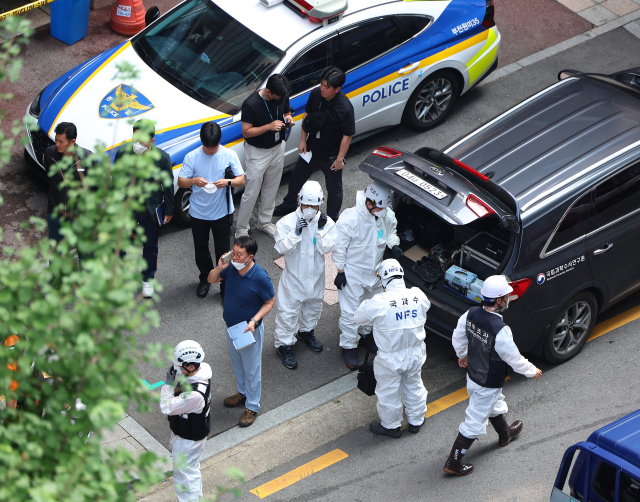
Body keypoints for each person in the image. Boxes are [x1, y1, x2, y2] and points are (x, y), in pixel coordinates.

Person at [444, 275, 543, 476]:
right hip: (488, 381)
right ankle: (453, 462)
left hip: (473, 376)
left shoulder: (470, 314)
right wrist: (532, 370)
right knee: (475, 420)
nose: (509, 298)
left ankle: (505, 434)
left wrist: (462, 355)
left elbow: (458, 336)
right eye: (507, 295)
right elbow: (513, 358)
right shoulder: (500, 329)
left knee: (495, 403)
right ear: (498, 301)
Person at [354, 259, 431, 438]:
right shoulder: (418, 295)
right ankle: (416, 421)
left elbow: (359, 317)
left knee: (388, 391)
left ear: (383, 278)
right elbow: (425, 308)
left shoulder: (379, 301)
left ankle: (391, 426)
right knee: (414, 385)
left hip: (390, 357)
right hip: (416, 352)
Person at [332, 182, 404, 369]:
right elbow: (339, 247)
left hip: (375, 272)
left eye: (385, 207)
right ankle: (348, 345)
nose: (384, 211)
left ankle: (365, 335)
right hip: (353, 273)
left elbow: (390, 232)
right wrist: (340, 271)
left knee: (372, 308)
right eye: (381, 207)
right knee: (351, 312)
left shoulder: (386, 214)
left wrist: (393, 245)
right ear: (369, 203)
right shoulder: (351, 218)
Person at [207, 235, 275, 427]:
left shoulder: (260, 276)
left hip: (248, 330)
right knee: (237, 364)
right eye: (233, 253)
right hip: (232, 327)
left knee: (252, 369)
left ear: (250, 257)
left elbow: (270, 302)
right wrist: (220, 267)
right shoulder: (230, 268)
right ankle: (243, 393)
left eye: (239, 255)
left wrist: (254, 320)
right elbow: (211, 279)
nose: (234, 257)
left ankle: (252, 406)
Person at [273, 67, 355, 222]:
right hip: (311, 149)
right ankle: (289, 205)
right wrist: (303, 139)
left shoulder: (344, 107)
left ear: (337, 89)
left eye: (327, 87)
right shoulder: (316, 94)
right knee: (296, 177)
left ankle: (331, 219)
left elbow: (347, 135)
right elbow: (307, 115)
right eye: (322, 84)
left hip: (331, 155)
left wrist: (339, 159)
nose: (322, 89)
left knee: (334, 190)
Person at [273, 181, 337, 369]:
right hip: (294, 279)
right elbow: (281, 247)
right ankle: (284, 344)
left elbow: (329, 248)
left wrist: (321, 230)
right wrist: (295, 233)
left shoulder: (327, 223)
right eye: (307, 205)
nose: (310, 209)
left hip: (316, 277)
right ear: (300, 202)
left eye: (314, 205)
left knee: (313, 307)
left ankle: (306, 332)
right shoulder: (286, 223)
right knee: (287, 314)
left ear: (320, 204)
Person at [178, 122, 245, 299]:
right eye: (207, 147)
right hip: (198, 213)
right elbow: (181, 182)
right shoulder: (192, 156)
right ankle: (205, 278)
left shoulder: (229, 154)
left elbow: (241, 180)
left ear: (219, 141)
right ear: (202, 142)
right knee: (201, 248)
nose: (210, 150)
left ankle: (225, 284)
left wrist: (227, 182)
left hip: (222, 212)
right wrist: (193, 181)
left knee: (223, 251)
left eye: (213, 146)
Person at [115, 119, 175, 298]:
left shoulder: (162, 158)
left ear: (152, 141)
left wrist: (169, 210)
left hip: (148, 209)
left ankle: (147, 278)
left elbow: (168, 185)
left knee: (150, 245)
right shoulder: (122, 153)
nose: (137, 144)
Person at [236, 74, 293, 238]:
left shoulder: (281, 95)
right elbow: (246, 131)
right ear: (268, 91)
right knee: (251, 191)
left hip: (278, 146)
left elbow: (287, 110)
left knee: (272, 186)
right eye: (278, 97)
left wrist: (288, 118)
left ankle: (264, 222)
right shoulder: (251, 104)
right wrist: (268, 126)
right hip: (257, 152)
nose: (281, 99)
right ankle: (241, 229)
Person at [160, 340, 212, 502]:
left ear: (191, 366)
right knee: (191, 472)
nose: (177, 369)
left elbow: (167, 407)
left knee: (184, 478)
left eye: (180, 366)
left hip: (188, 439)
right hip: (193, 433)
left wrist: (167, 386)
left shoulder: (194, 395)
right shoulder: (200, 372)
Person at [44, 122, 91, 244]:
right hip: (55, 213)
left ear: (72, 141)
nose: (57, 144)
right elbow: (49, 173)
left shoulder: (87, 160)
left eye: (61, 141)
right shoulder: (49, 154)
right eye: (56, 140)